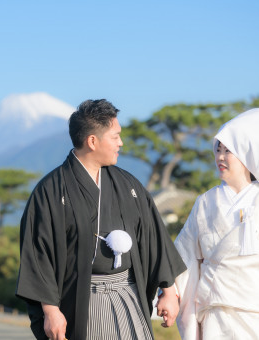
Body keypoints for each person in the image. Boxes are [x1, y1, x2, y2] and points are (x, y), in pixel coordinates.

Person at [16, 99, 186, 340]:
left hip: (129, 295)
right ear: (92, 141)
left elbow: (153, 237)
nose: (121, 143)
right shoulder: (51, 192)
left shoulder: (128, 186)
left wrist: (168, 290)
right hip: (83, 301)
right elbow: (39, 255)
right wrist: (51, 310)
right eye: (115, 137)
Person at [174, 108, 259, 339]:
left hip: (253, 312)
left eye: (228, 150)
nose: (220, 157)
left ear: (246, 153)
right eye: (217, 150)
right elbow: (184, 255)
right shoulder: (205, 202)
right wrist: (170, 292)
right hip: (214, 312)